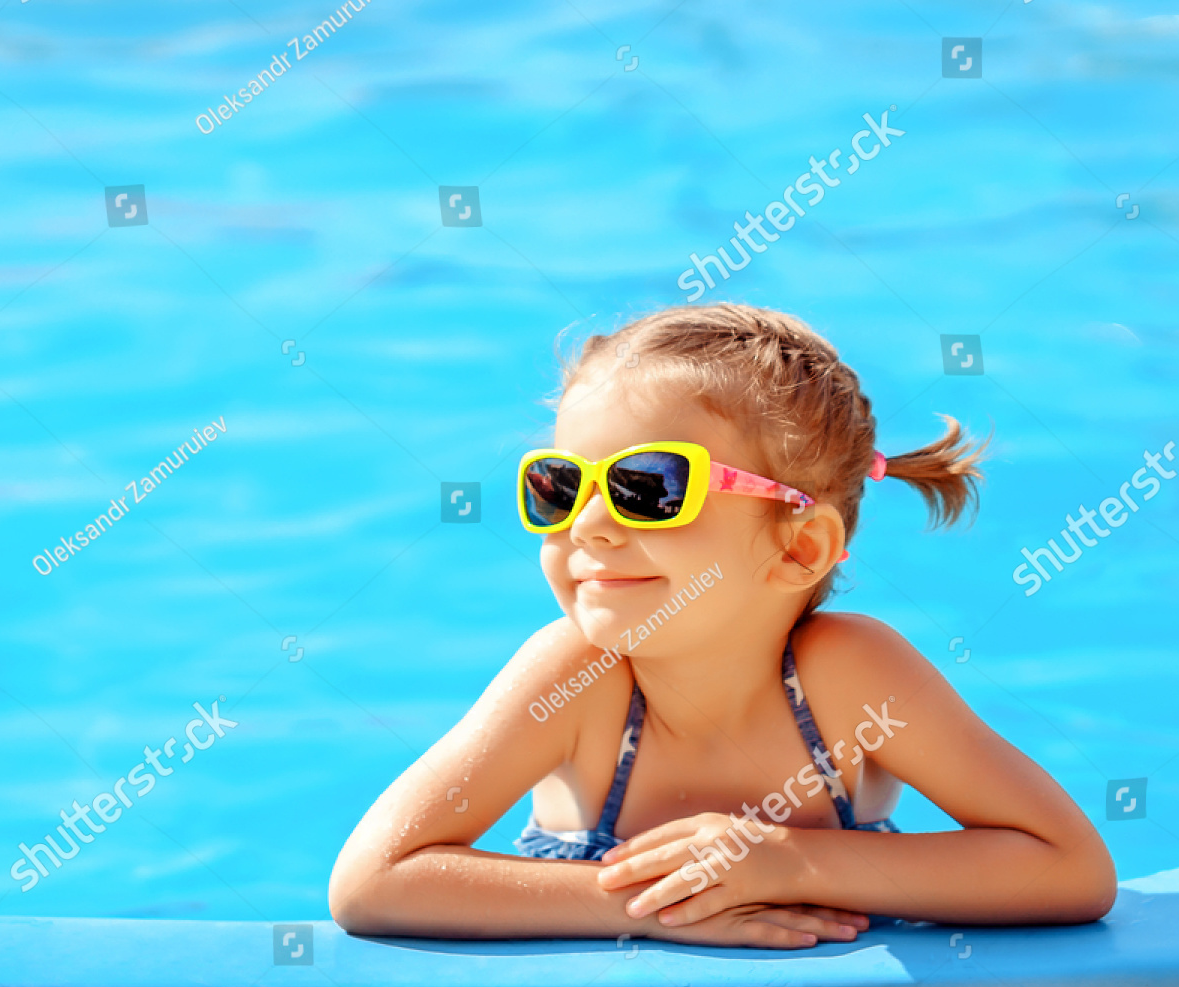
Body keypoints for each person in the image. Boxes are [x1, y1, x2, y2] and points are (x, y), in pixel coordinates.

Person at [329, 303, 1116, 948]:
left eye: (647, 486)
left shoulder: (851, 677)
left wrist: (789, 860)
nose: (590, 526)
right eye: (562, 485)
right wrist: (653, 909)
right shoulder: (576, 677)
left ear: (800, 545)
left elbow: (1070, 867)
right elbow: (373, 880)